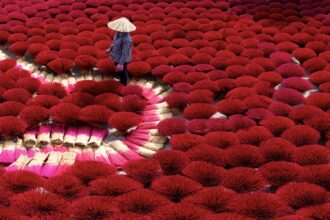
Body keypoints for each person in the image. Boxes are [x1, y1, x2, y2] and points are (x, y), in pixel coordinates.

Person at [107, 17, 136, 85]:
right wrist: (110, 48)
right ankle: (120, 79)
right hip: (115, 55)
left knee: (123, 71)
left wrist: (121, 63)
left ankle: (124, 84)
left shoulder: (127, 39)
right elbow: (115, 43)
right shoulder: (117, 33)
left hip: (122, 58)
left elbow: (125, 53)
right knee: (119, 70)